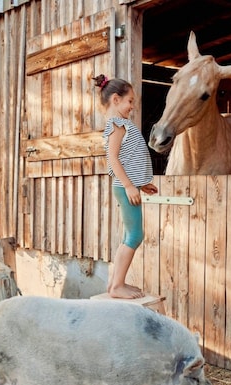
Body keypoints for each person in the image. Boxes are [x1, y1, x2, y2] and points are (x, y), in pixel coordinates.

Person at [93, 74, 158, 299]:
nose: (132, 106)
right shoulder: (117, 125)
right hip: (124, 186)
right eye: (130, 101)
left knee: (130, 235)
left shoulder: (119, 124)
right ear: (115, 99)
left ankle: (114, 284)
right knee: (135, 235)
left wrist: (141, 184)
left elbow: (127, 157)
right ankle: (118, 285)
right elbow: (113, 158)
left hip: (126, 185)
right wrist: (130, 186)